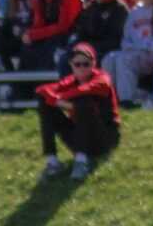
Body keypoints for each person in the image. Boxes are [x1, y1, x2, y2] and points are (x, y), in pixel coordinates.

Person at [36, 43, 120, 180]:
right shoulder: (71, 81)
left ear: (94, 63)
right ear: (71, 65)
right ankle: (52, 160)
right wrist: (56, 100)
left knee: (83, 102)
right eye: (77, 64)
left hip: (105, 137)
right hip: (81, 135)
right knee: (45, 103)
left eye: (86, 64)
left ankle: (81, 161)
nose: (81, 68)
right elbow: (41, 91)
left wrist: (59, 100)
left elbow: (86, 90)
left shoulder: (102, 79)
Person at [22, 0, 84, 74]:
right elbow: (38, 24)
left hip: (70, 36)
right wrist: (29, 34)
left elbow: (63, 26)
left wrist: (34, 35)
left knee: (50, 46)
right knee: (28, 47)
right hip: (51, 36)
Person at [73, 0, 129, 66]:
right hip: (88, 51)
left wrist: (91, 48)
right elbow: (82, 34)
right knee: (66, 58)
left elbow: (116, 39)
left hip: (109, 52)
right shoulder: (88, 8)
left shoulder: (119, 8)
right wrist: (78, 47)